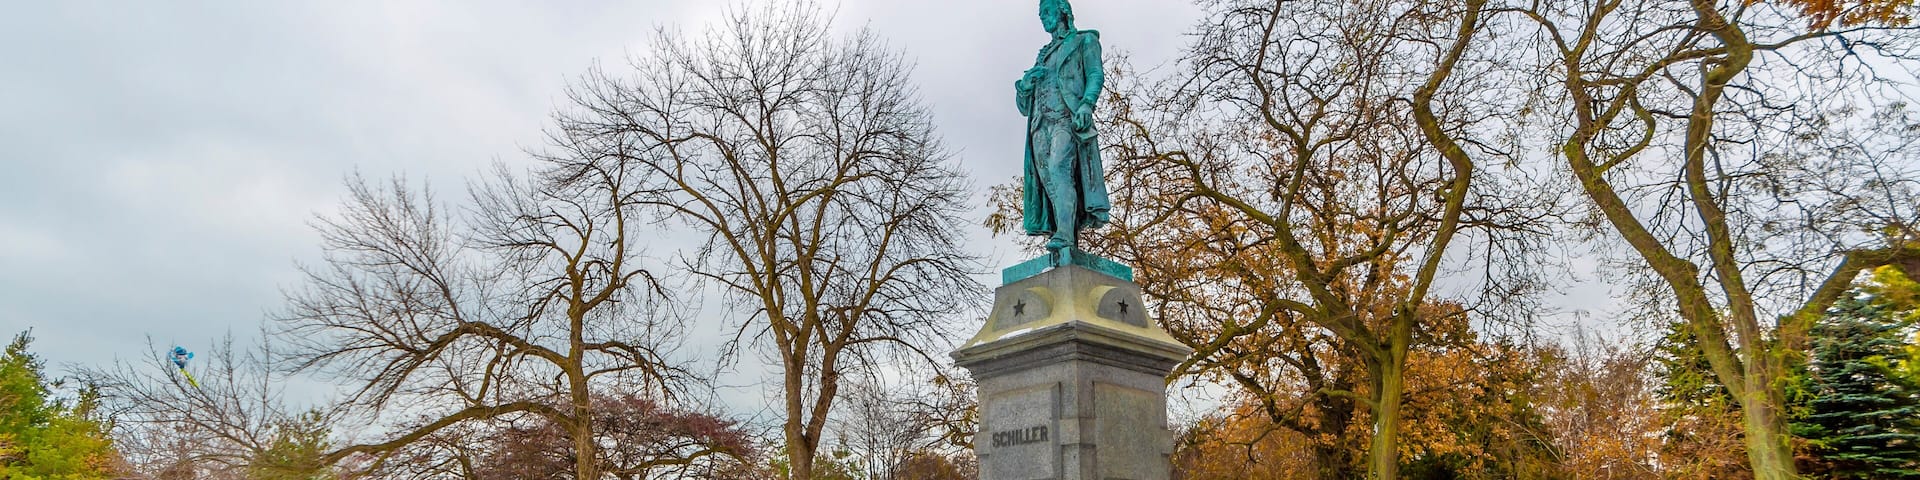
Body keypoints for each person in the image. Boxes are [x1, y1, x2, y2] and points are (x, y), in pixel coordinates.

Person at [1014, 0, 1110, 251]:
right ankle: (1064, 235)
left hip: (1066, 119)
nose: (1043, 18)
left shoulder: (1084, 41)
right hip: (1039, 124)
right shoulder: (1042, 54)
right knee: (1049, 183)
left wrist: (1087, 104)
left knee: (1059, 170)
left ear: (1063, 12)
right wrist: (1025, 84)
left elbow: (1095, 75)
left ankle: (1065, 235)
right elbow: (1024, 106)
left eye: (1047, 12)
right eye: (1040, 14)